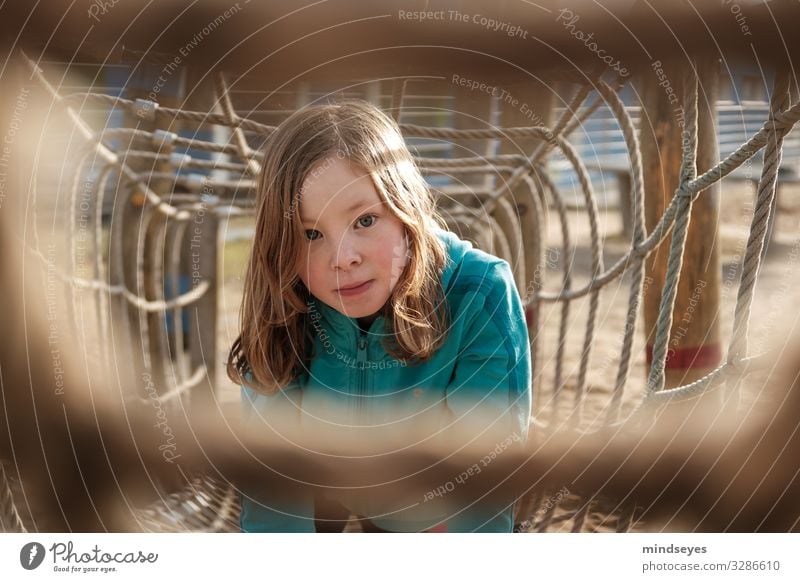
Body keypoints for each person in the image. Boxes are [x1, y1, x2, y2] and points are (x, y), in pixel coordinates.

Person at [227, 99, 532, 532]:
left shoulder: (477, 294)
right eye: (311, 234)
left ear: (409, 211)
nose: (343, 258)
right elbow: (272, 502)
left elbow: (483, 488)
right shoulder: (285, 299)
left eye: (366, 220)